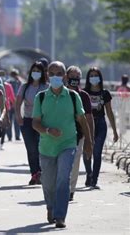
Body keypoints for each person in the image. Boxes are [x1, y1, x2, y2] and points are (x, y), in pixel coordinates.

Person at [32, 61, 90, 228]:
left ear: (64, 76)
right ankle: (50, 207)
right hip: (47, 147)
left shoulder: (73, 96)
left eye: (58, 73)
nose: (55, 77)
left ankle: (60, 216)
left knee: (63, 178)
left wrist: (89, 143)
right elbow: (35, 123)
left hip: (68, 143)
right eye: (51, 73)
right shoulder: (41, 97)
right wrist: (48, 130)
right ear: (47, 76)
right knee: (49, 182)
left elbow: (82, 119)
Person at [83, 67, 119, 189]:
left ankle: (94, 180)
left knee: (97, 153)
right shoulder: (84, 93)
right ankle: (89, 174)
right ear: (88, 78)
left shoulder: (105, 93)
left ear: (100, 77)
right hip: (87, 124)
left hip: (101, 124)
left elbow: (109, 112)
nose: (94, 77)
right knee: (87, 151)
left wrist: (114, 130)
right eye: (91, 75)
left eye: (96, 75)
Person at [15, 62, 49, 185]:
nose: (36, 73)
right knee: (31, 149)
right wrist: (18, 115)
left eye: (38, 71)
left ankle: (43, 172)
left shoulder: (47, 87)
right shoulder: (24, 87)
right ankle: (35, 174)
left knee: (41, 147)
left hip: (42, 121)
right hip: (28, 121)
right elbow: (18, 103)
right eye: (34, 70)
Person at [66, 66, 94, 201]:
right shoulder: (60, 93)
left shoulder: (83, 96)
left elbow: (89, 118)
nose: (74, 79)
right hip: (59, 135)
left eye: (77, 77)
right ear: (66, 77)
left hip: (78, 135)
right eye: (72, 76)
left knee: (75, 162)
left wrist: (90, 140)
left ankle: (70, 190)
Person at [0, 70, 15, 146]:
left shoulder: (8, 86)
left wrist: (15, 106)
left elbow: (12, 97)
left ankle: (2, 141)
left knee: (4, 124)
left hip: (6, 107)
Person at [7, 69, 22, 141]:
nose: (14, 76)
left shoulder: (20, 83)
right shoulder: (8, 83)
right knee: (9, 121)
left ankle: (17, 136)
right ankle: (9, 136)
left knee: (17, 121)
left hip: (17, 104)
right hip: (9, 104)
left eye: (15, 74)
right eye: (13, 75)